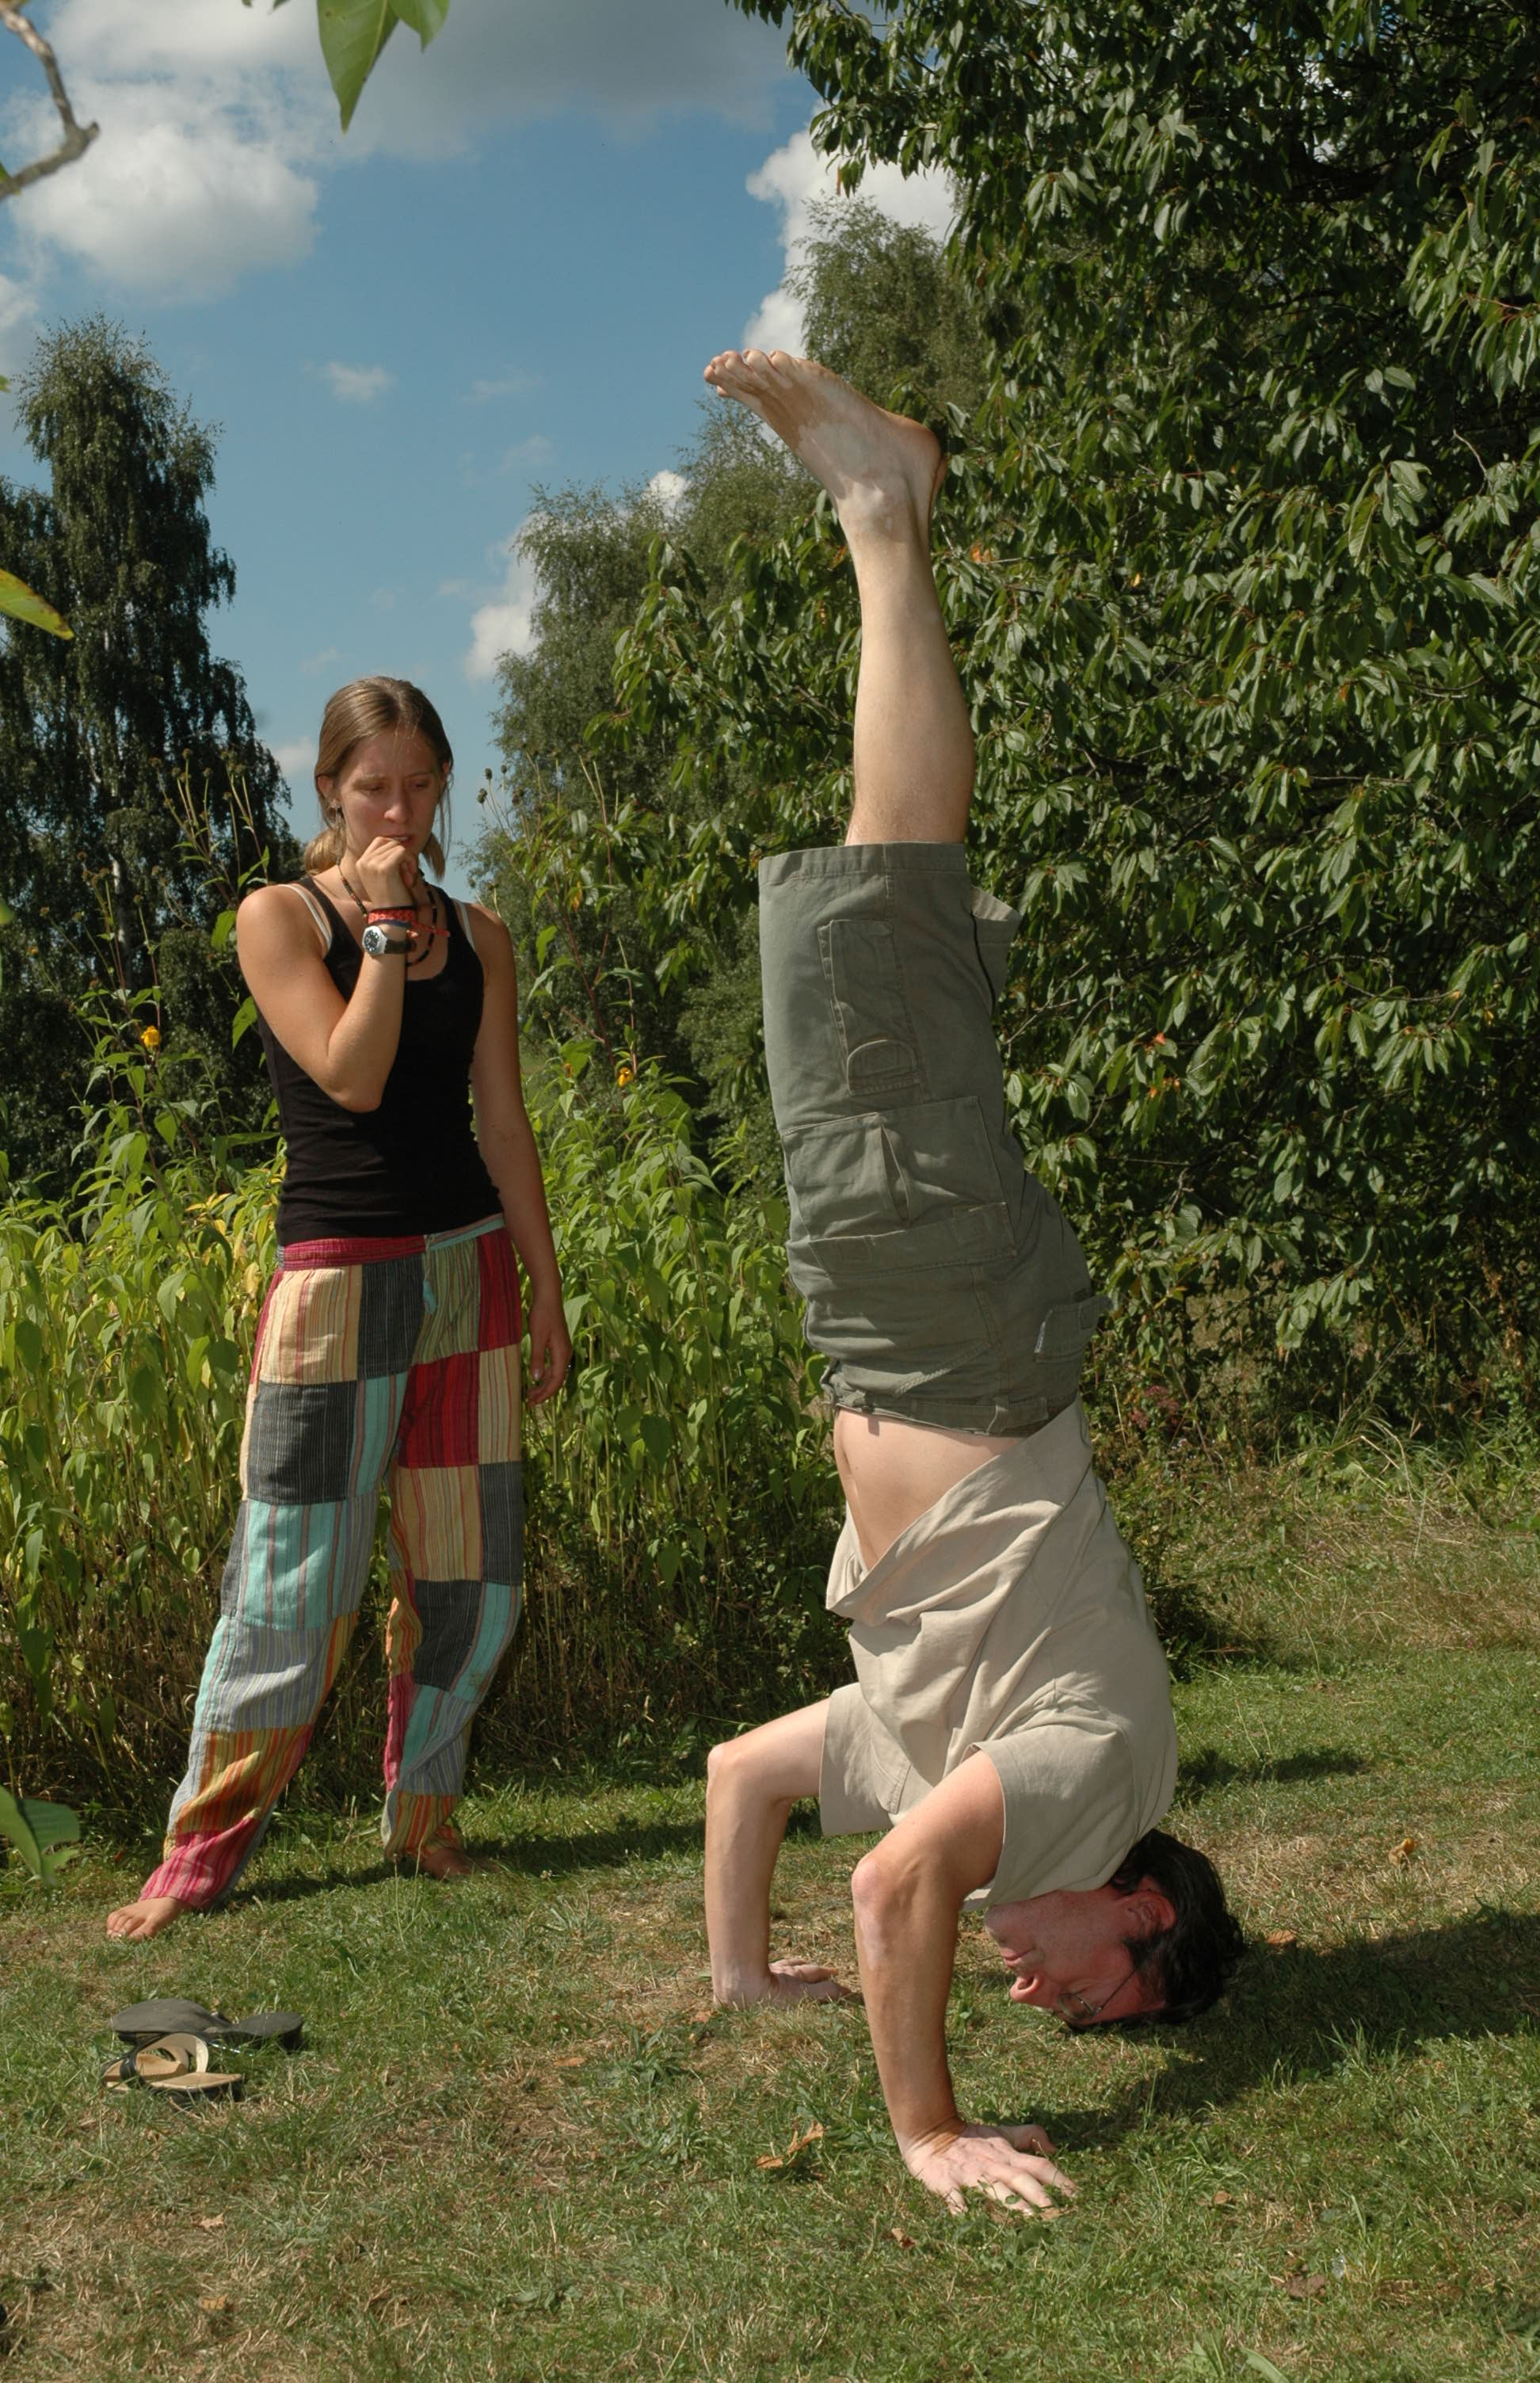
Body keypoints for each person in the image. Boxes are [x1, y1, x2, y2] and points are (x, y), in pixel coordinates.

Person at [698, 349, 1245, 2211]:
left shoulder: (971, 1756)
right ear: (1145, 1910)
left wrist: (739, 1976)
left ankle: (886, 515)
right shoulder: (1093, 1779)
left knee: (861, 946)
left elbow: (746, 1777)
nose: (1042, 1993)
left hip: (898, 1340)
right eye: (1093, 1989)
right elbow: (890, 1885)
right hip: (957, 1341)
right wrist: (926, 2127)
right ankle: (884, 509)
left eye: (1047, 2014)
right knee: (886, 922)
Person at [107, 677, 571, 1942]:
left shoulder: (482, 934)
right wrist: (381, 931)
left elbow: (503, 1124)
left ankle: (425, 1819)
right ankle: (200, 1855)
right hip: (335, 1279)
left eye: (421, 785)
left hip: (467, 1269)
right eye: (375, 787)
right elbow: (354, 1077)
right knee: (290, 1584)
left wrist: (544, 1286)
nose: (401, 811)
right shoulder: (280, 917)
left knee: (472, 1576)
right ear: (329, 789)